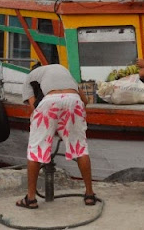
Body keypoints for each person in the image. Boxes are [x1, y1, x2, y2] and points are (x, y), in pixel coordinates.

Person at [16, 64, 96, 209]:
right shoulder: (63, 70)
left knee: (36, 150)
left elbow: (34, 109)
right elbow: (84, 101)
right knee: (80, 148)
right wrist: (64, 127)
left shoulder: (29, 78)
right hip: (74, 100)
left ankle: (31, 199)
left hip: (50, 101)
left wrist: (51, 127)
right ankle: (90, 194)